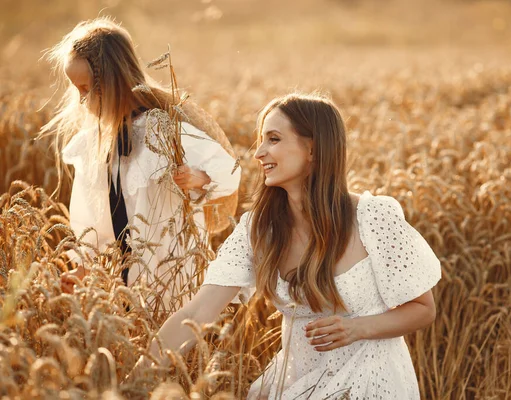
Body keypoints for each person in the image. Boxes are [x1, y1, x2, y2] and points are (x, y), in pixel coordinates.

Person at [136, 93, 441, 399]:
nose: (258, 153)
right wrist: (132, 377)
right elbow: (199, 310)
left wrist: (357, 328)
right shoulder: (259, 229)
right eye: (262, 140)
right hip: (299, 383)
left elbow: (422, 309)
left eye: (274, 139)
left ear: (313, 148)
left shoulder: (373, 217)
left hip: (372, 381)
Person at [40, 17, 241, 310]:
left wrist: (199, 178)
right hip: (120, 283)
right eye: (77, 91)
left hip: (171, 273)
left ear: (113, 81)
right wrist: (84, 268)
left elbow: (230, 171)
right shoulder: (93, 145)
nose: (82, 100)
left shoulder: (163, 130)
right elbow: (93, 222)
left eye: (86, 89)